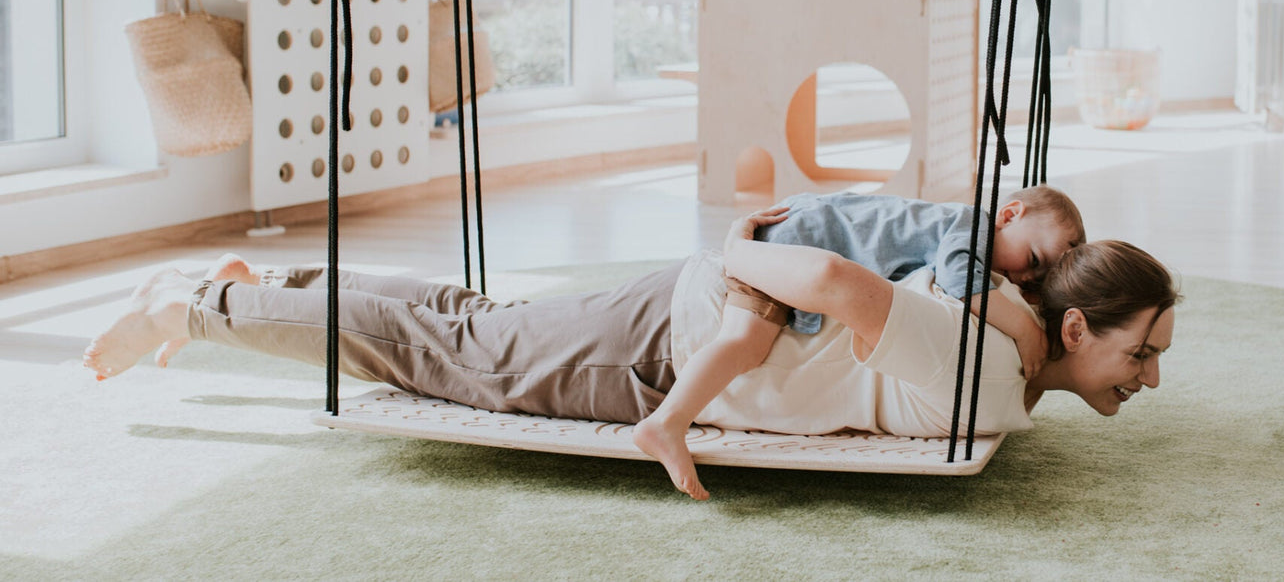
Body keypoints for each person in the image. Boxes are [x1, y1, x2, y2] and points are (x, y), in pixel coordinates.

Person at [83, 222, 1176, 500]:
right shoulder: (986, 372)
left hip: (689, 316)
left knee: (473, 321)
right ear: (1077, 328)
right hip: (671, 346)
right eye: (1142, 350)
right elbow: (837, 280)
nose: (1151, 375)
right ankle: (197, 309)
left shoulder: (1001, 344)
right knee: (456, 353)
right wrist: (738, 255)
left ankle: (268, 285)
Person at [633, 186, 1086, 498]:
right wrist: (1024, 328)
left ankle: (668, 421)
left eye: (1037, 279)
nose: (1025, 277)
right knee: (744, 343)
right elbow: (960, 280)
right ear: (1009, 214)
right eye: (1033, 259)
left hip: (806, 229)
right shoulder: (973, 227)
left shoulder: (963, 229)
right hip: (796, 240)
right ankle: (666, 423)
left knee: (747, 344)